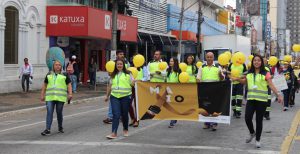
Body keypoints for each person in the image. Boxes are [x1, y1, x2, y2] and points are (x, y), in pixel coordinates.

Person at [233, 55, 283, 148]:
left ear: (261, 62)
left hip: (262, 101)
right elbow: (245, 82)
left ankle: (258, 139)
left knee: (259, 120)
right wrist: (237, 79)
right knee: (247, 118)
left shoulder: (266, 73)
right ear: (252, 62)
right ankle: (252, 133)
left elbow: (271, 85)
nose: (256, 62)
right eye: (255, 60)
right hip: (251, 100)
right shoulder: (249, 72)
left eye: (258, 60)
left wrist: (278, 95)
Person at [105, 59, 135, 139]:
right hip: (114, 96)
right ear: (115, 65)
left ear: (123, 65)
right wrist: (107, 96)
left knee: (124, 114)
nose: (119, 65)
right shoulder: (113, 74)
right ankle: (113, 133)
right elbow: (110, 86)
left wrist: (134, 81)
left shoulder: (128, 74)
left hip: (126, 97)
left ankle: (125, 129)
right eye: (118, 64)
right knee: (116, 114)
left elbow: (132, 84)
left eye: (121, 64)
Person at [40, 60, 72, 136]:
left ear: (61, 66)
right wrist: (42, 95)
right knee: (49, 112)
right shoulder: (49, 74)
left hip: (60, 98)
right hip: (50, 97)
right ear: (53, 66)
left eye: (59, 65)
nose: (58, 66)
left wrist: (70, 94)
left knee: (59, 112)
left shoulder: (64, 74)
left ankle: (60, 127)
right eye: (56, 65)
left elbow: (69, 84)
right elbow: (45, 85)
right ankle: (47, 129)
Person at [197, 52, 224, 131]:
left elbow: (222, 78)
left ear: (213, 58)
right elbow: (198, 78)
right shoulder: (202, 67)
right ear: (206, 58)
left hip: (215, 91)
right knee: (205, 107)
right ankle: (206, 123)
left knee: (214, 107)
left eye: (211, 57)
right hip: (205, 90)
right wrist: (198, 81)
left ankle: (214, 123)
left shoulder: (218, 67)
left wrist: (220, 75)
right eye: (208, 57)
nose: (209, 58)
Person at [103, 50, 130, 124]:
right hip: (115, 85)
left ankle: (121, 116)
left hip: (123, 87)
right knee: (112, 103)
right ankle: (111, 117)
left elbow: (129, 73)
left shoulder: (127, 63)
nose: (122, 55)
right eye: (121, 54)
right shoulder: (113, 63)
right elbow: (109, 72)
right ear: (117, 55)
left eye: (123, 54)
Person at [166, 57, 180, 128]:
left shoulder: (178, 71)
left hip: (176, 91)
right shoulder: (168, 70)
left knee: (174, 105)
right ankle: (174, 118)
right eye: (170, 61)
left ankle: (173, 120)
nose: (170, 62)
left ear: (175, 62)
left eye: (172, 61)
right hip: (169, 90)